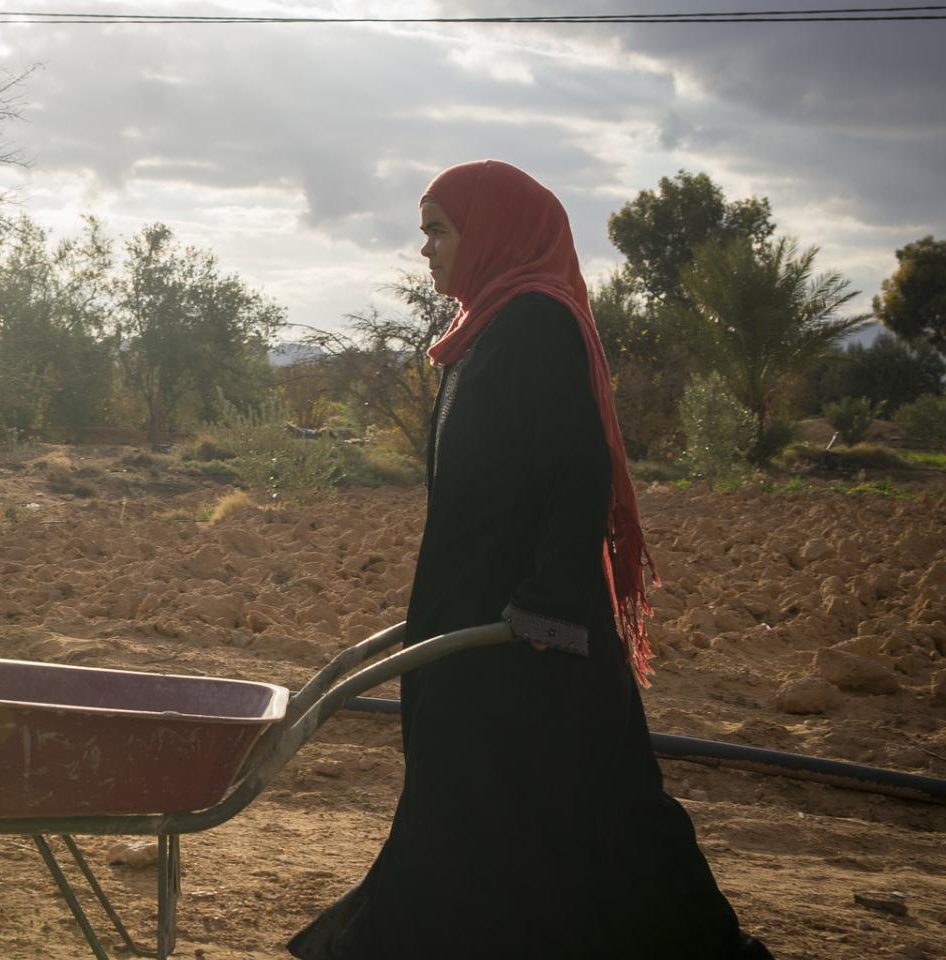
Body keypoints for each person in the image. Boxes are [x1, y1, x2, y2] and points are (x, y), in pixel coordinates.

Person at [287, 160, 772, 960]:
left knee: (594, 812)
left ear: (495, 230)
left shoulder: (534, 326)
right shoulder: (480, 333)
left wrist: (546, 608)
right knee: (485, 813)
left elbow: (577, 470)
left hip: (530, 643)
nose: (427, 249)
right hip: (475, 622)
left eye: (440, 230)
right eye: (425, 232)